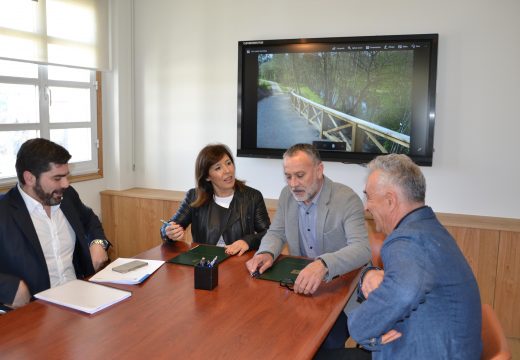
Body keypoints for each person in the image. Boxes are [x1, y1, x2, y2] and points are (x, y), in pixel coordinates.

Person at [346, 154, 482, 359]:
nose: (366, 206)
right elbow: (410, 283)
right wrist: (372, 275)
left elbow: (403, 291)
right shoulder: (428, 228)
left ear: (390, 201)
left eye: (369, 196)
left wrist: (357, 327)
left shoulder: (408, 240)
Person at [246, 143, 371, 349]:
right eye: (288, 176)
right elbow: (276, 232)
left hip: (339, 291)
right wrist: (266, 252)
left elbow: (362, 249)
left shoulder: (346, 198)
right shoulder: (287, 195)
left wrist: (323, 264)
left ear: (319, 170)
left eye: (300, 175)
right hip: (300, 290)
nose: (293, 184)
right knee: (269, 330)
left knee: (322, 345)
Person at [0, 138, 110, 309]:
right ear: (29, 178)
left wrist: (97, 243)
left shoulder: (67, 196)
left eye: (66, 176)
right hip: (36, 312)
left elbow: (89, 220)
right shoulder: (4, 211)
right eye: (57, 178)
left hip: (81, 299)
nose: (66, 184)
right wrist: (8, 287)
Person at [160, 143, 270, 255]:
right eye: (218, 168)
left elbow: (268, 233)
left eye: (229, 163)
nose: (227, 171)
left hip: (238, 263)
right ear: (207, 176)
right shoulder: (194, 196)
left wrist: (247, 241)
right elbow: (170, 225)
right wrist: (168, 232)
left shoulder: (252, 197)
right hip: (204, 261)